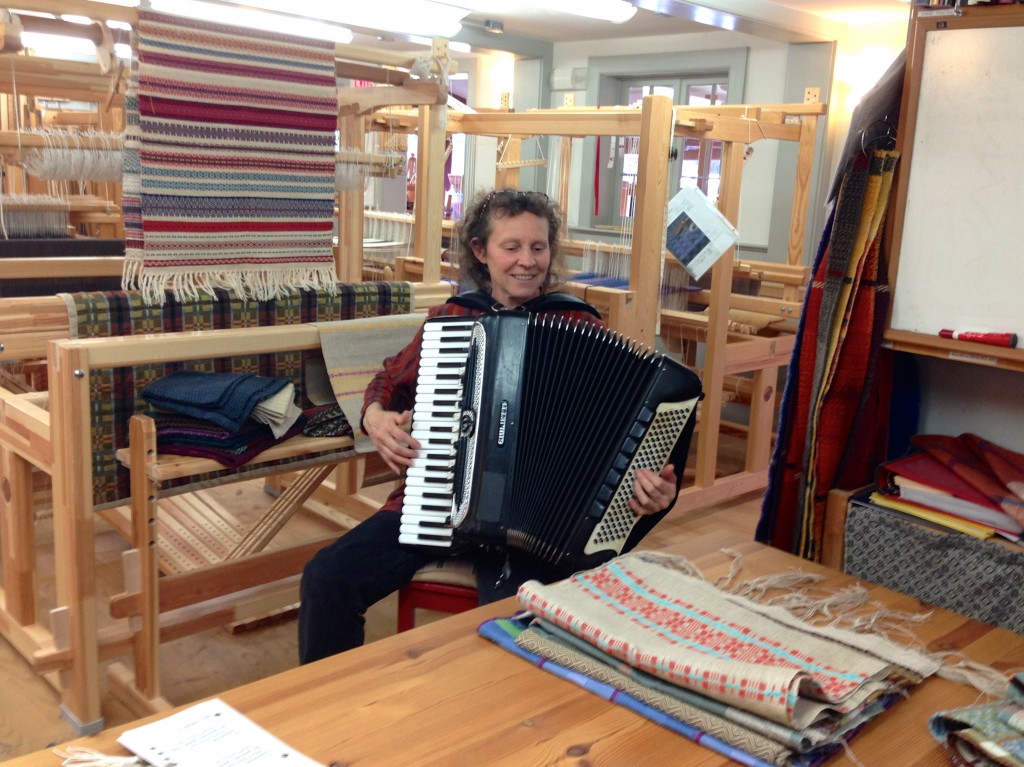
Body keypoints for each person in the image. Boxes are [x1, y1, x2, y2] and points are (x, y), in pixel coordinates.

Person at [298, 188, 680, 664]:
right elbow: (386, 382)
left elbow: (634, 442)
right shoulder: (451, 320)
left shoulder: (582, 327)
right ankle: (325, 714)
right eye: (512, 247)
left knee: (516, 633)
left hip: (546, 526)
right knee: (327, 577)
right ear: (482, 251)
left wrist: (655, 491)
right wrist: (375, 417)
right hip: (435, 503)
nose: (527, 261)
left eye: (538, 247)